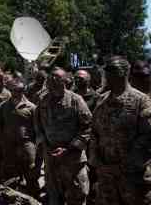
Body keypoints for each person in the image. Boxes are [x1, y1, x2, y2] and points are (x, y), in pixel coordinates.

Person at [89, 56, 151, 205]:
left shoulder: (141, 100)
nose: (107, 75)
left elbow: (147, 136)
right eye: (107, 71)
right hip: (106, 175)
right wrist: (95, 158)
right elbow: (94, 131)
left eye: (112, 71)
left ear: (125, 73)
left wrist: (125, 163)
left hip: (132, 176)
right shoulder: (101, 100)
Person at [34, 67, 92, 205]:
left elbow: (88, 127)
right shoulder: (43, 100)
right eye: (51, 78)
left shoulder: (76, 100)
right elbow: (38, 124)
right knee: (54, 196)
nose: (53, 80)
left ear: (65, 81)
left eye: (57, 78)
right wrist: (43, 144)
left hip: (72, 159)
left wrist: (68, 149)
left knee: (76, 196)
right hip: (51, 159)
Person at [0, 77, 39, 198]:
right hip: (9, 145)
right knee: (10, 176)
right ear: (11, 90)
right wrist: (2, 141)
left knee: (31, 174)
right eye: (15, 90)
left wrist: (35, 144)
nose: (18, 92)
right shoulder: (3, 107)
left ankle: (34, 198)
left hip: (27, 145)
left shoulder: (32, 108)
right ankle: (11, 199)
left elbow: (37, 128)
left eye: (21, 90)